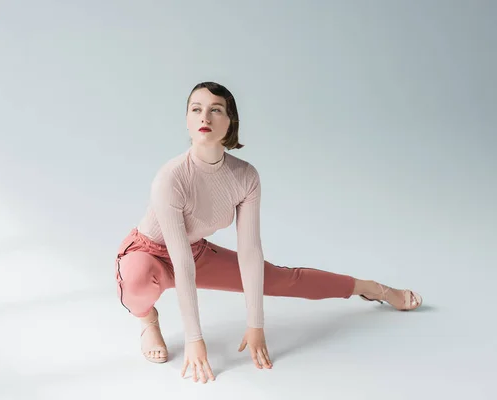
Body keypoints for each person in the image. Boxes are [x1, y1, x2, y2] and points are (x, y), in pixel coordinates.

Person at [114, 81, 423, 384]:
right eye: (196, 109)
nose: (204, 118)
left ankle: (373, 288)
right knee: (138, 278)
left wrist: (256, 325)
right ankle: (147, 319)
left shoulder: (244, 176)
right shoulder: (170, 178)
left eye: (215, 110)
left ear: (231, 120)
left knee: (278, 278)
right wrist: (195, 338)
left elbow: (250, 252)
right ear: (187, 120)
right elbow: (180, 263)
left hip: (196, 251)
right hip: (149, 252)